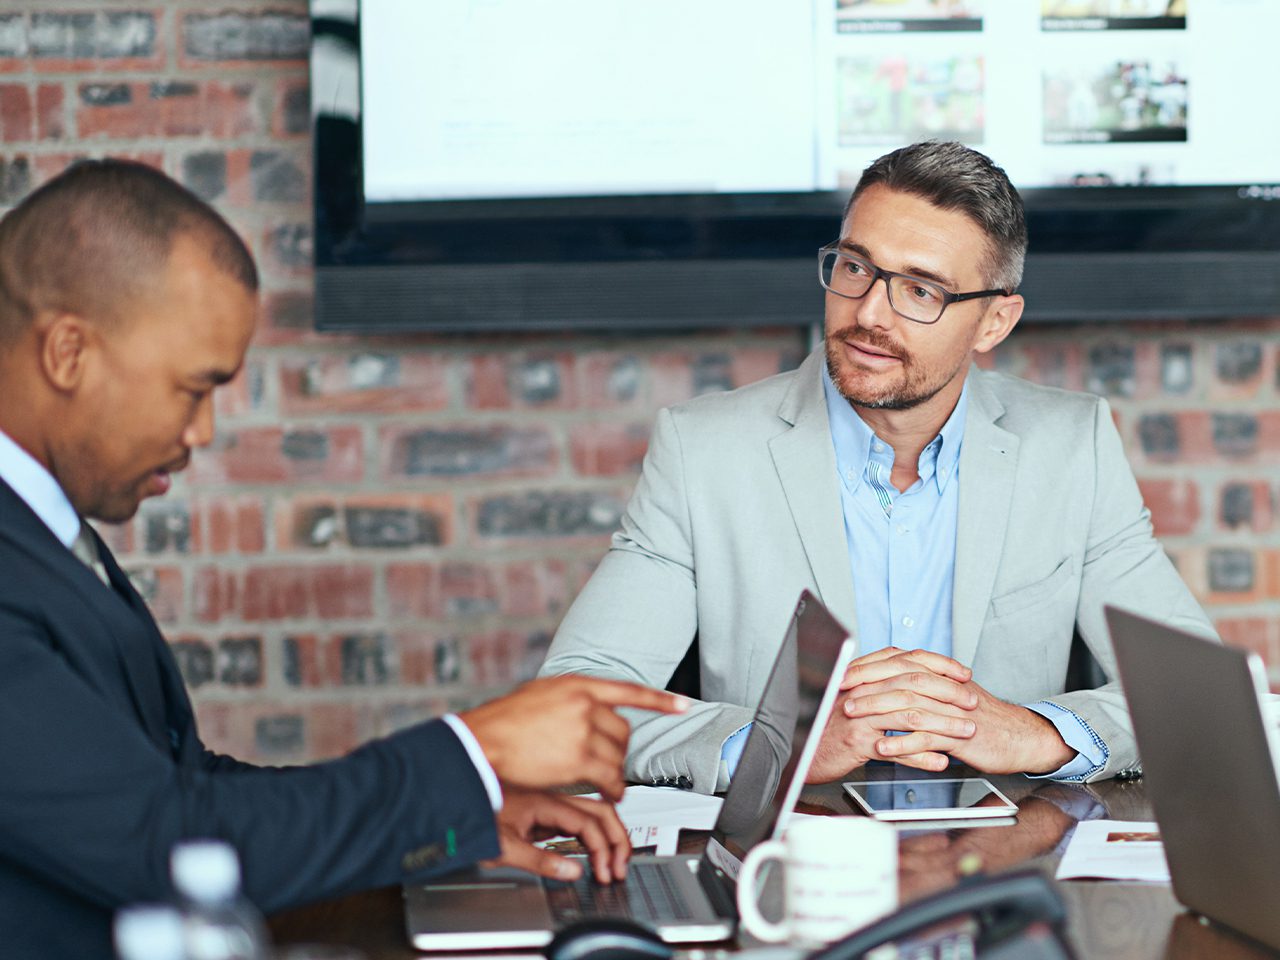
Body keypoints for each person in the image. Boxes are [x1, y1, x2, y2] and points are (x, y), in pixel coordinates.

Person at [0, 160, 687, 960]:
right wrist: (475, 749)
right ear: (69, 352)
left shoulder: (46, 534)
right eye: (193, 389)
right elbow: (169, 847)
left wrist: (453, 817)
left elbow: (186, 789)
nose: (203, 433)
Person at [539, 140, 1214, 794]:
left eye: (921, 291)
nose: (867, 314)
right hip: (790, 867)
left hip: (1005, 871)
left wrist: (1035, 732)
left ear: (994, 323)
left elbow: (1196, 694)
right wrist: (784, 742)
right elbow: (573, 703)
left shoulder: (1072, 448)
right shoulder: (704, 453)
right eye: (856, 267)